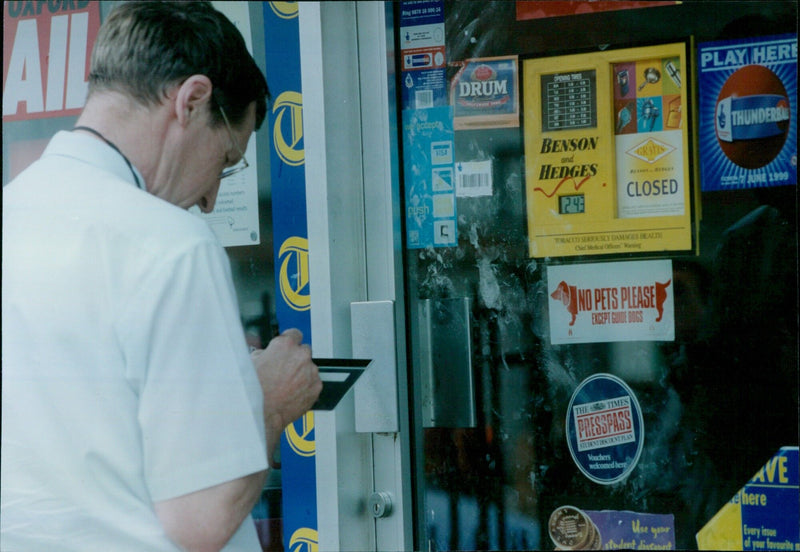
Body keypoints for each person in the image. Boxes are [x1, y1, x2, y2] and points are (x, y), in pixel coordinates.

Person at [1, 2, 321, 551]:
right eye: (226, 160)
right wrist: (266, 403)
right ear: (192, 101)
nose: (210, 198)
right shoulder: (169, 245)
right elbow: (200, 524)